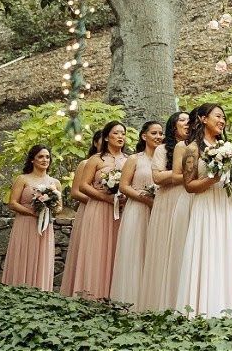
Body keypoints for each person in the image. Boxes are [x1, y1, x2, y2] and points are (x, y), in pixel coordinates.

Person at [175, 104, 232, 317]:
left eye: (224, 117)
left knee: (227, 256)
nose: (222, 121)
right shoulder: (192, 149)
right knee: (208, 255)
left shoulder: (228, 147)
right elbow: (189, 186)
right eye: (218, 116)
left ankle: (228, 311)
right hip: (207, 207)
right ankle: (201, 310)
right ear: (202, 119)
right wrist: (214, 178)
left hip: (229, 208)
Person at [65, 121, 128, 300]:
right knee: (97, 250)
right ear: (107, 137)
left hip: (121, 210)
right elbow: (83, 186)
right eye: (116, 133)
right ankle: (91, 294)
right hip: (99, 208)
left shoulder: (129, 159)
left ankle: (115, 295)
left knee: (118, 250)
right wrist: (106, 198)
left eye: (123, 133)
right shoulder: (96, 160)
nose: (121, 136)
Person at [137, 111, 192, 311]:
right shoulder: (162, 150)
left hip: (189, 199)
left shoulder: (195, 147)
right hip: (168, 201)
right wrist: (186, 174)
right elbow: (158, 178)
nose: (187, 123)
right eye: (183, 120)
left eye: (189, 120)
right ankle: (161, 302)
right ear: (174, 126)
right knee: (165, 247)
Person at [110, 120, 162, 309]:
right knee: (135, 252)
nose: (158, 137)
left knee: (153, 253)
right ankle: (130, 302)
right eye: (154, 133)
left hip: (157, 210)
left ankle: (151, 302)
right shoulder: (134, 159)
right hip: (137, 209)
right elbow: (124, 187)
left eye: (160, 133)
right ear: (144, 136)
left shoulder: (162, 160)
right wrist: (145, 199)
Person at [1, 145, 62, 291]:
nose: (44, 160)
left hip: (45, 226)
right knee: (22, 258)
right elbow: (13, 203)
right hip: (25, 224)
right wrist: (31, 212)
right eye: (40, 157)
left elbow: (59, 207)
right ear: (32, 160)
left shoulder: (55, 183)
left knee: (42, 260)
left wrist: (51, 209)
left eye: (47, 157)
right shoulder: (23, 179)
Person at [60, 129, 105, 296]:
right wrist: (98, 200)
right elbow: (76, 192)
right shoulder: (86, 163)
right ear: (95, 143)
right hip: (90, 210)